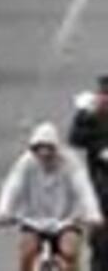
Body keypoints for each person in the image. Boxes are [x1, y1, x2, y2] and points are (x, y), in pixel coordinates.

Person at [0, 121, 103, 271]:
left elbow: (83, 189)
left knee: (70, 251)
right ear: (34, 149)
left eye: (49, 149)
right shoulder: (26, 163)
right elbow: (12, 186)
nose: (45, 154)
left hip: (66, 220)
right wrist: (4, 211)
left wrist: (93, 214)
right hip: (34, 220)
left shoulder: (70, 163)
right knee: (27, 251)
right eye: (40, 149)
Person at [70, 78, 108, 270]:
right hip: (100, 191)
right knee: (101, 245)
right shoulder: (93, 119)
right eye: (103, 95)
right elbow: (75, 138)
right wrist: (82, 114)